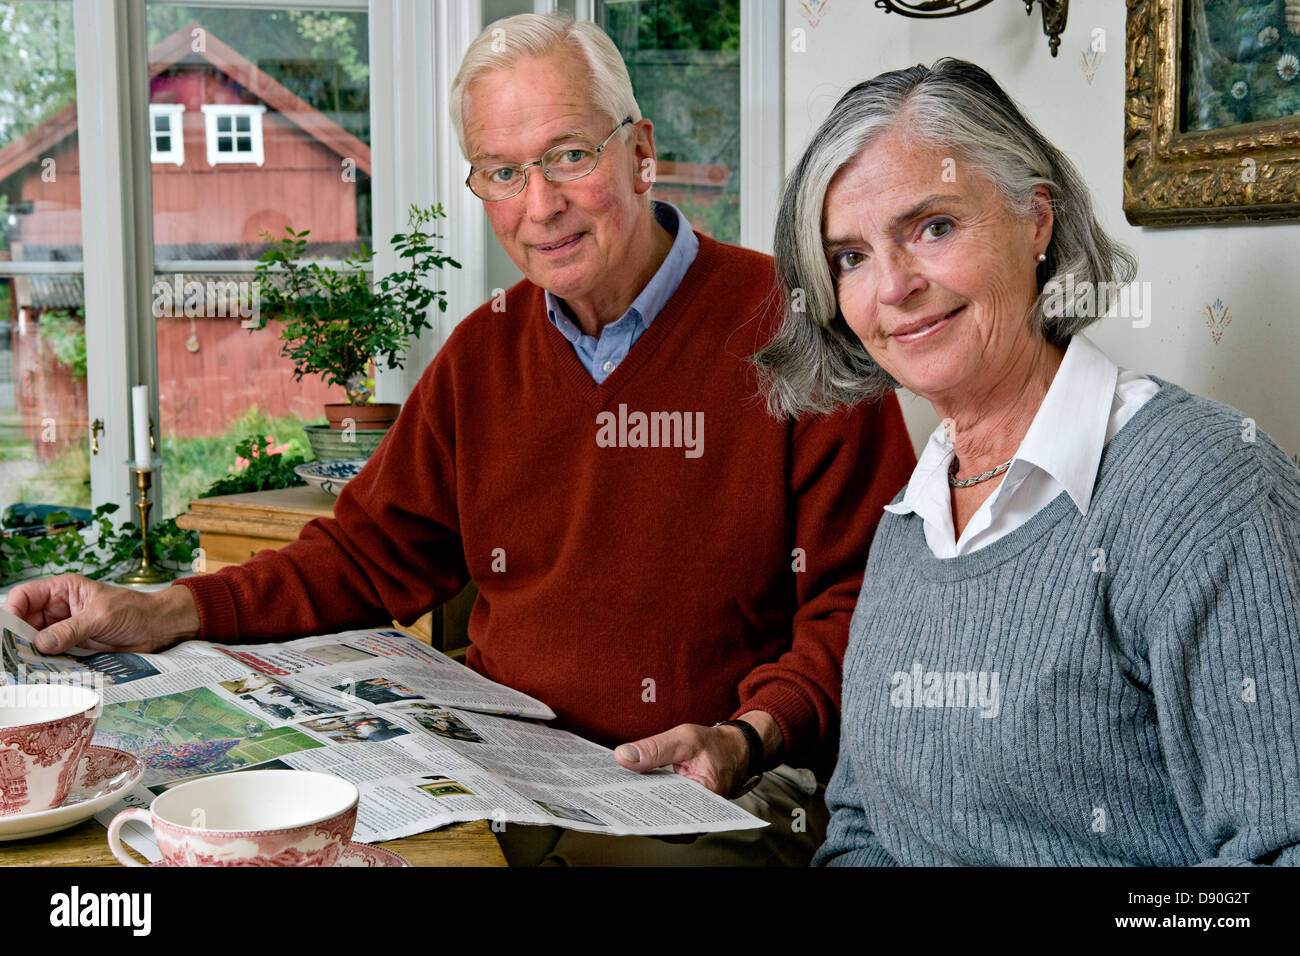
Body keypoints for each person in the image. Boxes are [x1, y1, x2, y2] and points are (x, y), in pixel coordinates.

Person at [3, 13, 916, 865]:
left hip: (712, 785)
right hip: (507, 768)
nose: (542, 204)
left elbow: (868, 610)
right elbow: (364, 558)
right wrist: (160, 608)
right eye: (503, 171)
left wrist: (746, 734)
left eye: (569, 155)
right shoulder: (485, 348)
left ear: (640, 153)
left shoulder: (801, 335)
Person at [756, 57, 1300, 866]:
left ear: (1035, 221)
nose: (894, 287)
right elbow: (865, 828)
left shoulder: (1207, 487)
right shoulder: (912, 520)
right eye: (850, 258)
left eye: (932, 227)